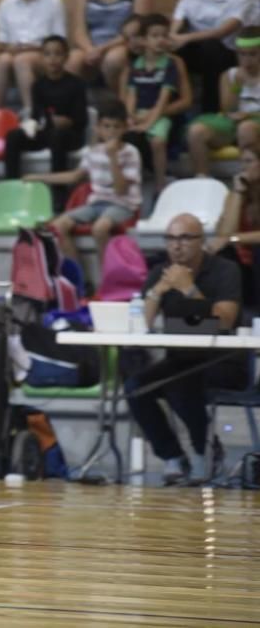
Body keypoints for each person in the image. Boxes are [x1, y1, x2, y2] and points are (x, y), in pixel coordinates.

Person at [125, 213, 246, 486]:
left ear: (201, 241)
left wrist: (188, 289)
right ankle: (173, 456)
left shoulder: (225, 270)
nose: (176, 245)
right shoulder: (162, 271)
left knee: (178, 383)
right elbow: (141, 321)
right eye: (170, 238)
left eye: (184, 238)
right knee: (135, 387)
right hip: (181, 359)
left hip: (224, 360)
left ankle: (206, 452)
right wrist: (158, 290)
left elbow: (225, 320)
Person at [31, 99, 141, 264]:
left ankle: (108, 277)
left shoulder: (131, 152)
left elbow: (121, 190)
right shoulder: (93, 151)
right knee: (59, 225)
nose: (111, 132)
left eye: (116, 127)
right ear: (98, 128)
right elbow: (74, 176)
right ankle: (79, 279)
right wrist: (38, 177)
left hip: (123, 205)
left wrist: (113, 158)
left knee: (100, 228)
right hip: (96, 204)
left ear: (125, 128)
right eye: (106, 126)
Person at [3, 35, 88, 206]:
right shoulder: (38, 85)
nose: (53, 59)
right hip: (45, 132)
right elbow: (36, 116)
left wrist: (67, 121)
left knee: (58, 135)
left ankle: (59, 196)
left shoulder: (76, 84)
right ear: (42, 58)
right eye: (48, 54)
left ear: (66, 57)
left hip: (70, 136)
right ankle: (11, 187)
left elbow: (82, 119)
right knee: (13, 136)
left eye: (58, 54)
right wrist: (30, 127)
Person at [170, 0, 254, 114]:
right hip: (195, 50)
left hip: (227, 53)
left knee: (211, 47)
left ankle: (210, 112)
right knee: (168, 52)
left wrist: (185, 38)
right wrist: (172, 39)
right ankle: (170, 113)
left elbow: (222, 32)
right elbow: (176, 26)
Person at [0, 0, 67, 115]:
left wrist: (31, 48)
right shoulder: (6, 4)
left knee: (22, 60)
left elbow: (60, 42)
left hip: (43, 56)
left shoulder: (53, 2)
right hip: (13, 54)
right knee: (3, 60)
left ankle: (32, 113)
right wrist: (9, 48)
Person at [65, 0, 152, 93]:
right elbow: (79, 30)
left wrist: (102, 49)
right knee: (72, 59)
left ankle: (119, 105)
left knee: (113, 59)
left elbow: (136, 30)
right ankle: (75, 108)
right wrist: (89, 49)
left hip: (123, 45)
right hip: (91, 47)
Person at [187, 27, 260, 176]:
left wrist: (248, 115)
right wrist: (237, 86)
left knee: (246, 128)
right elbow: (227, 108)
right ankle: (202, 180)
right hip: (232, 123)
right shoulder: (229, 75)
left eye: (253, 54)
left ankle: (248, 179)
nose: (247, 60)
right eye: (242, 54)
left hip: (254, 122)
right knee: (196, 132)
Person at [124, 13, 179, 191]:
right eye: (155, 36)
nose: (160, 40)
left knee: (157, 142)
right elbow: (131, 95)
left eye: (164, 35)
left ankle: (160, 183)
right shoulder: (136, 66)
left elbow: (163, 100)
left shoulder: (169, 65)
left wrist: (148, 123)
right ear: (144, 40)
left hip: (158, 114)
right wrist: (130, 117)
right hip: (140, 113)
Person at [206, 143, 260, 306]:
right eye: (242, 162)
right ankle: (226, 311)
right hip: (243, 264)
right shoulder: (236, 194)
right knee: (222, 253)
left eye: (249, 161)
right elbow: (224, 234)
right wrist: (238, 193)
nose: (244, 167)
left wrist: (234, 239)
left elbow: (229, 237)